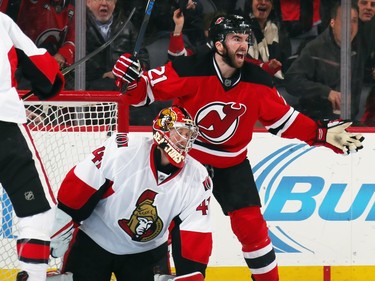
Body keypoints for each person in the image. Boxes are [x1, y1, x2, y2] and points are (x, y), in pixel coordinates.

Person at [112, 14, 364, 281]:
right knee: (165, 223)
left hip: (231, 164)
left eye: (246, 39)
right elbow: (141, 94)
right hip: (185, 162)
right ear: (219, 43)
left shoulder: (257, 81)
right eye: (236, 39)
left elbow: (284, 121)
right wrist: (129, 78)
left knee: (252, 228)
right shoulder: (190, 68)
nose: (244, 45)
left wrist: (320, 133)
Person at [49, 105, 213, 281]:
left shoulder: (197, 177)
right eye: (179, 132)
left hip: (146, 252)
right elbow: (83, 182)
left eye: (188, 135)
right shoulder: (124, 150)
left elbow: (194, 232)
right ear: (162, 130)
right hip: (94, 240)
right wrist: (66, 216)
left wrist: (191, 273)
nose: (184, 140)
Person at [0, 11, 64, 281]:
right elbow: (46, 77)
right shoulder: (2, 22)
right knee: (36, 212)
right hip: (4, 124)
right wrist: (52, 83)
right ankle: (33, 275)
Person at [283, 2, 363, 121]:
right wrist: (327, 92)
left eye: (354, 21)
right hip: (315, 121)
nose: (350, 26)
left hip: (347, 121)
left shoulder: (358, 48)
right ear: (332, 22)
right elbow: (292, 81)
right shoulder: (315, 48)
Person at [84, 0, 149, 91]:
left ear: (115, 3)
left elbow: (143, 61)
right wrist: (101, 75)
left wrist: (126, 72)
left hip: (122, 89)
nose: (104, 3)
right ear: (88, 2)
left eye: (109, 0)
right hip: (88, 91)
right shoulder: (77, 26)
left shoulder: (127, 27)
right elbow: (71, 67)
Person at [242, 0, 291, 80]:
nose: (263, 2)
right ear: (251, 3)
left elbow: (286, 64)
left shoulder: (279, 31)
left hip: (274, 83)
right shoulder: (240, 30)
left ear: (273, 6)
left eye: (268, 0)